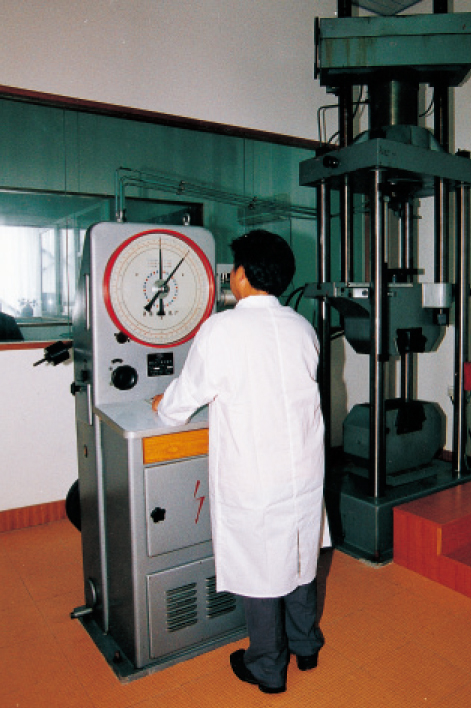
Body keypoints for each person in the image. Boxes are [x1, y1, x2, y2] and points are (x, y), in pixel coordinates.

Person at [152, 229, 328, 693]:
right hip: (303, 469)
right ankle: (306, 645)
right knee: (298, 553)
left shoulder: (222, 329)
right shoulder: (301, 327)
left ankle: (268, 667)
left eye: (234, 269)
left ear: (243, 275)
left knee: (260, 566)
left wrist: (162, 406)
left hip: (254, 473)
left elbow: (182, 401)